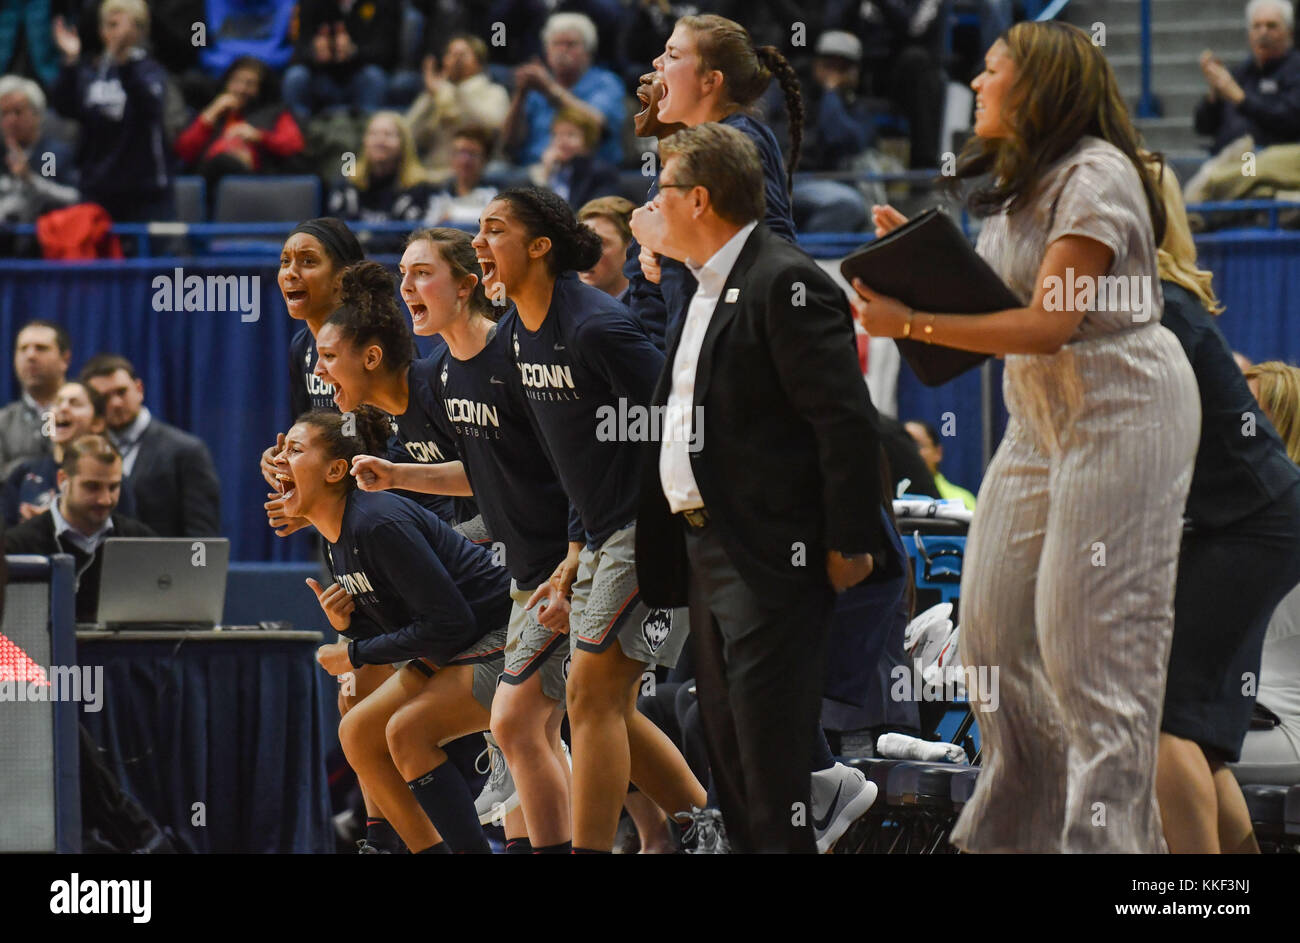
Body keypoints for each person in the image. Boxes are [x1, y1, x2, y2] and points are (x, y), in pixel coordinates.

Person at [853, 22, 1200, 853]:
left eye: (992, 69)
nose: (974, 80)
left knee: (1094, 660)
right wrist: (919, 259)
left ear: (1038, 86)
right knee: (992, 643)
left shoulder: (1097, 174)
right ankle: (1015, 835)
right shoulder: (1023, 180)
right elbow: (997, 304)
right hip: (1040, 419)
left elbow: (1049, 322)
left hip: (1123, 413)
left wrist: (912, 317)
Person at [631, 123, 888, 853]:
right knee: (732, 765)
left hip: (775, 556)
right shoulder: (705, 286)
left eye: (663, 189)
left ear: (700, 198)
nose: (652, 202)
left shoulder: (788, 279)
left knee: (773, 776)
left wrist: (847, 541)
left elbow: (845, 421)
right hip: (706, 553)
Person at [473, 185, 700, 853]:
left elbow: (681, 421)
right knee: (607, 705)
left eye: (494, 230)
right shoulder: (516, 334)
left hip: (655, 523)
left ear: (540, 246)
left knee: (590, 691)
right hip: (602, 532)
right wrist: (575, 548)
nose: (478, 244)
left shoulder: (595, 327)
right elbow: (575, 455)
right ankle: (701, 824)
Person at [350, 227, 577, 852]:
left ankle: (681, 825)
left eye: (421, 273)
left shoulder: (510, 355)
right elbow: (482, 474)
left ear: (468, 282)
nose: (407, 287)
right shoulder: (447, 371)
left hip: (567, 556)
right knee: (535, 729)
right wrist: (399, 474)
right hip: (527, 569)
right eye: (403, 275)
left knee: (551, 724)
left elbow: (568, 464)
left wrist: (578, 553)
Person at [1149, 160, 1300, 854]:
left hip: (1252, 524)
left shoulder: (1160, 305)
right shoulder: (1163, 297)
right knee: (1201, 741)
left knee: (1165, 726)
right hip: (1247, 523)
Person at [276, 406, 511, 854]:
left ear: (335, 470)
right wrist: (351, 625)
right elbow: (407, 620)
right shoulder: (335, 536)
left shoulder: (377, 521)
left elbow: (449, 621)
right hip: (454, 644)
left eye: (295, 449)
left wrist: (355, 652)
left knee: (406, 731)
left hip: (500, 636)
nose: (279, 459)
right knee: (358, 731)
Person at [639, 14, 801, 339]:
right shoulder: (692, 146)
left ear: (710, 81)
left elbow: (776, 248)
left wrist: (667, 242)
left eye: (673, 55)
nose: (657, 63)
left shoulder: (741, 140)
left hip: (729, 355)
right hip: (686, 355)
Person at [259, 217, 365, 537]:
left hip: (386, 514)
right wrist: (283, 459)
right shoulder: (300, 346)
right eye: (285, 262)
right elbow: (310, 438)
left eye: (308, 261)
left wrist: (317, 510)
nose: (291, 272)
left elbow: (394, 452)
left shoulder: (370, 344)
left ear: (341, 278)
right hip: (334, 518)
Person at [3, 434, 154, 622]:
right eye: (92, 487)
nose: (105, 499)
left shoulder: (141, 542)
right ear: (62, 480)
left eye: (113, 487)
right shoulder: (18, 546)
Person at [1234, 362, 1300, 789]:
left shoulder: (1280, 517)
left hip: (1285, 724)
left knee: (1163, 752)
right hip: (1242, 714)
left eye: (1246, 414)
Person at [48, 2, 172, 221]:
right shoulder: (91, 71)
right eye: (110, 25)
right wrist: (70, 61)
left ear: (140, 30)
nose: (116, 32)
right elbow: (65, 107)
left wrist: (122, 62)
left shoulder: (151, 70)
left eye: (122, 25)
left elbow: (149, 108)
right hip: (96, 185)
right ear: (101, 30)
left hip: (142, 188)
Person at [80, 354, 221, 538]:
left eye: (121, 392)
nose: (115, 403)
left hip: (166, 564)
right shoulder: (83, 452)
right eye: (104, 397)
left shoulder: (186, 451)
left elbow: (203, 538)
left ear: (139, 389)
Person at [174, 56, 305, 210]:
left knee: (223, 162)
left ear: (261, 88)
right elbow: (183, 151)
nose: (241, 88)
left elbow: (294, 145)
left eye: (250, 84)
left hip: (255, 184)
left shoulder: (274, 113)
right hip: (206, 178)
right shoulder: (214, 115)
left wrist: (259, 137)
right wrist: (210, 114)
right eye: (236, 81)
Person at [4, 379, 137, 526]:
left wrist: (54, 521)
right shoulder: (23, 473)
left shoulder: (113, 481)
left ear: (97, 423)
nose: (63, 408)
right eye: (57, 402)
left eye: (75, 403)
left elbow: (124, 537)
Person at [502, 12, 627, 167]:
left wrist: (549, 88)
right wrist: (520, 94)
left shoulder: (606, 82)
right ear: (546, 52)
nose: (562, 50)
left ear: (588, 52)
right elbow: (508, 143)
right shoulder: (535, 86)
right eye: (556, 44)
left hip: (587, 172)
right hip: (531, 169)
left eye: (570, 44)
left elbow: (595, 124)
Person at [1194, 1, 1300, 156]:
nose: (1263, 33)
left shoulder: (1295, 69)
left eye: (1271, 26)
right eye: (1257, 26)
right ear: (1249, 33)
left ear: (1289, 32)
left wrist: (1241, 99)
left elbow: (1289, 120)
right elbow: (1203, 127)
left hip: (1272, 163)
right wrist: (1214, 94)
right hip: (1226, 159)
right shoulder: (1241, 72)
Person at [793, 30, 872, 233]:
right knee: (847, 204)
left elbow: (840, 137)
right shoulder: (792, 98)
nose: (834, 74)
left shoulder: (859, 109)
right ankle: (803, 257)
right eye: (828, 66)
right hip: (794, 182)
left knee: (854, 205)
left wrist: (831, 93)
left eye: (843, 68)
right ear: (815, 65)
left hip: (837, 184)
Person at [326, 112, 435, 251]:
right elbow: (334, 232)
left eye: (388, 135)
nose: (380, 141)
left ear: (404, 143)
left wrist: (365, 243)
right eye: (373, 134)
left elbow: (409, 239)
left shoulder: (420, 188)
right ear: (365, 140)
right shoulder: (346, 183)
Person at [406, 34, 510, 173]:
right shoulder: (437, 92)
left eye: (461, 54)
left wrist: (458, 91)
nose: (455, 60)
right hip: (433, 171)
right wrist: (429, 97)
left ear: (479, 63)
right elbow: (408, 135)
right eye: (451, 54)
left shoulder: (494, 92)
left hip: (477, 173)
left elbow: (493, 126)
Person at [282, 0, 402, 118]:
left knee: (374, 76)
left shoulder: (382, 3)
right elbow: (298, 51)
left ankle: (367, 127)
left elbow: (386, 53)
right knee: (295, 76)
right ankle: (300, 129)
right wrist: (314, 53)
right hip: (321, 77)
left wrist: (354, 52)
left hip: (358, 76)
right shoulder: (310, 3)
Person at [0, 75, 79, 250]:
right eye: (4, 113)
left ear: (37, 115)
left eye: (18, 112)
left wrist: (28, 178)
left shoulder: (49, 156)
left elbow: (70, 197)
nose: (10, 120)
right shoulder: (2, 153)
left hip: (43, 246)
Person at [0, 319, 70, 477]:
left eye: (41, 348)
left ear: (65, 359)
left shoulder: (87, 414)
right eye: (23, 349)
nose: (30, 356)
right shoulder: (3, 423)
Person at [528, 107, 619, 211]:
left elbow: (593, 216)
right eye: (557, 135)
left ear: (588, 140)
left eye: (570, 135)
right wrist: (545, 176)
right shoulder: (548, 169)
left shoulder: (601, 173)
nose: (562, 141)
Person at [425, 124, 498, 228]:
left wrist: (453, 216)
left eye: (472, 154)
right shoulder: (437, 193)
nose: (464, 161)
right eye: (459, 153)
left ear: (485, 159)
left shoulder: (495, 194)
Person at [903, 419, 976, 510]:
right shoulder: (886, 498)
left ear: (938, 452)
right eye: (904, 446)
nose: (910, 452)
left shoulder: (962, 500)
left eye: (917, 445)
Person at [577, 195, 635, 301]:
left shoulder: (650, 310)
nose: (584, 253)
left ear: (630, 247)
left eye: (598, 242)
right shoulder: (565, 307)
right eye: (580, 243)